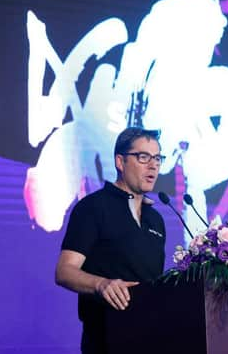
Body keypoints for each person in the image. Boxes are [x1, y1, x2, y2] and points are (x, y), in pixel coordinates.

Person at [55, 126, 166, 353]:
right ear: (120, 162)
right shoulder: (93, 207)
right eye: (143, 157)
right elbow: (64, 271)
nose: (153, 165)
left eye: (157, 158)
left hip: (152, 338)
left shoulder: (155, 219)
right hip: (107, 337)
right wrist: (101, 284)